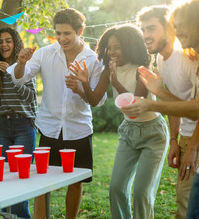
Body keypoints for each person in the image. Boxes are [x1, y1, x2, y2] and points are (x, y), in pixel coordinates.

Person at [7, 8, 106, 219]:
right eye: (58, 33)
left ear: (80, 30)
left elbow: (97, 100)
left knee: (76, 181)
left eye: (67, 33)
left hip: (79, 129)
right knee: (42, 182)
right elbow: (18, 78)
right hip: (49, 129)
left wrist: (80, 88)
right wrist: (22, 62)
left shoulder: (94, 59)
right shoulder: (44, 53)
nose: (62, 38)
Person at [70, 24, 169, 219]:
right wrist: (82, 85)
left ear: (130, 46)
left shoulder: (143, 70)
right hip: (129, 132)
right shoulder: (108, 71)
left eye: (118, 46)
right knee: (116, 187)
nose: (112, 52)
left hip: (153, 133)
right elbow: (94, 100)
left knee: (142, 192)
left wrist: (116, 83)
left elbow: (135, 106)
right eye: (109, 47)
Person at [121, 0, 199, 219]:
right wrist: (175, 140)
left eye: (152, 28)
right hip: (186, 138)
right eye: (143, 29)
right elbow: (176, 104)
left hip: (195, 140)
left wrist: (192, 148)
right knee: (184, 203)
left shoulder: (187, 56)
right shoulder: (162, 61)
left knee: (187, 208)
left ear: (169, 28)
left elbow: (196, 109)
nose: (145, 35)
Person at [0, 27, 37, 219]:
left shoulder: (25, 66)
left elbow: (29, 97)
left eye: (8, 40)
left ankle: (22, 216)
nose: (4, 44)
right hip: (3, 126)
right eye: (0, 42)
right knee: (4, 177)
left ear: (15, 43)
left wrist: (11, 75)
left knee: (20, 179)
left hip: (23, 125)